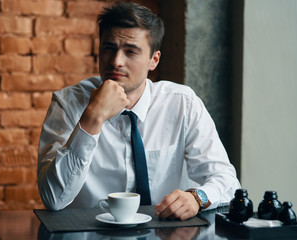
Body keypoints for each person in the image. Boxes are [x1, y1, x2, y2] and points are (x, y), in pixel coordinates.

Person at [37, 1, 240, 220]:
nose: (116, 62)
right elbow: (53, 198)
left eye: (130, 52)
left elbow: (226, 180)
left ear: (154, 60)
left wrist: (197, 198)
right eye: (109, 48)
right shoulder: (68, 104)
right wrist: (92, 118)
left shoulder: (182, 103)